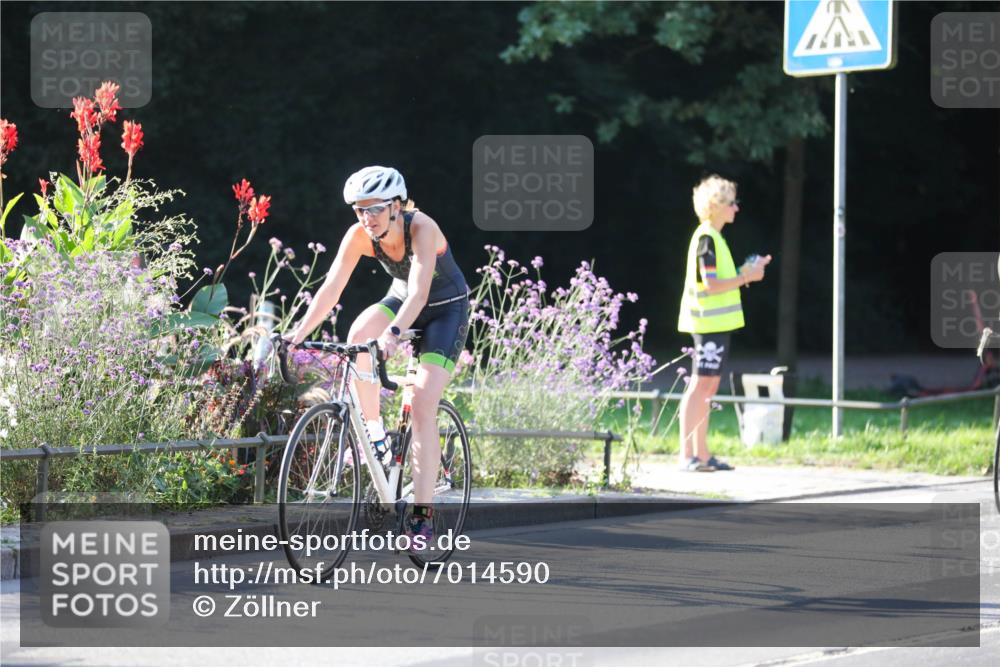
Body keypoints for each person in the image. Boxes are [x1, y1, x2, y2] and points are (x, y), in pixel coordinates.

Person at [286, 166, 470, 543]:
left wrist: (394, 335)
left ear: (397, 206)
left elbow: (420, 294)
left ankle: (422, 517)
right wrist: (297, 335)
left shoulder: (422, 228)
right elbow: (332, 287)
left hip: (444, 309)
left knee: (421, 403)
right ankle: (376, 436)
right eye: (359, 210)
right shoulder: (360, 235)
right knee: (357, 336)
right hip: (402, 299)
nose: (366, 218)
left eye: (375, 209)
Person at [677, 175, 771, 472]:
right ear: (716, 206)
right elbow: (710, 285)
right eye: (732, 203)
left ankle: (702, 454)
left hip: (716, 325)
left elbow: (716, 280)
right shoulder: (707, 238)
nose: (736, 208)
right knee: (700, 385)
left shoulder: (713, 237)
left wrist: (745, 269)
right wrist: (747, 277)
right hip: (706, 324)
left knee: (708, 386)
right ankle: (688, 455)